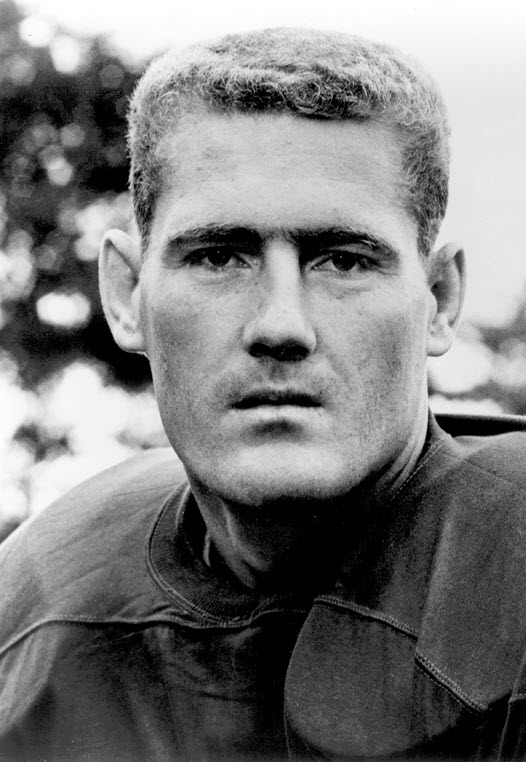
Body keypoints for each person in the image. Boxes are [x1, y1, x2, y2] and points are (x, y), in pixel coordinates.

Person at [1, 26, 526, 761]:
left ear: (438, 298)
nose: (281, 326)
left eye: (343, 261)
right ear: (126, 295)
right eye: (219, 256)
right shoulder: (40, 617)